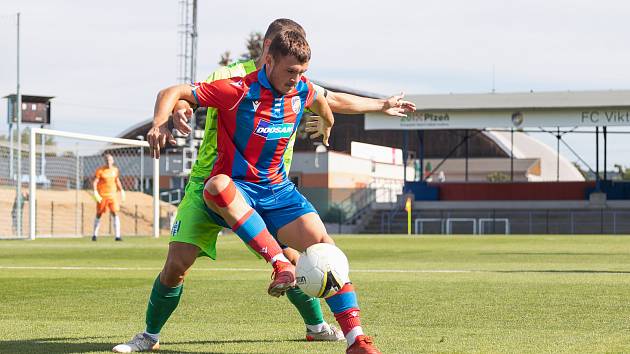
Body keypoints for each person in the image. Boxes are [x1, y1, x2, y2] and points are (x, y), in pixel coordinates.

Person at [114, 19, 413, 353]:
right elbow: (182, 95)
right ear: (268, 54)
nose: (297, 79)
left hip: (275, 189)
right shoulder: (234, 84)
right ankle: (149, 336)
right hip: (219, 184)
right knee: (179, 260)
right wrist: (165, 119)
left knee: (325, 249)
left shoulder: (299, 85)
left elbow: (325, 100)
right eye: (291, 71)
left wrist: (331, 120)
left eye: (302, 72)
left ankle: (355, 338)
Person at [92, 153, 125, 241]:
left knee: (115, 213)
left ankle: (117, 236)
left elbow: (117, 180)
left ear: (113, 161)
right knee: (99, 214)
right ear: (105, 161)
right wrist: (95, 192)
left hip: (112, 196)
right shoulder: (100, 170)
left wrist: (121, 190)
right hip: (102, 196)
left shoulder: (115, 170)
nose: (108, 162)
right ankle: (94, 235)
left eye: (110, 160)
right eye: (107, 160)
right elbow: (95, 182)